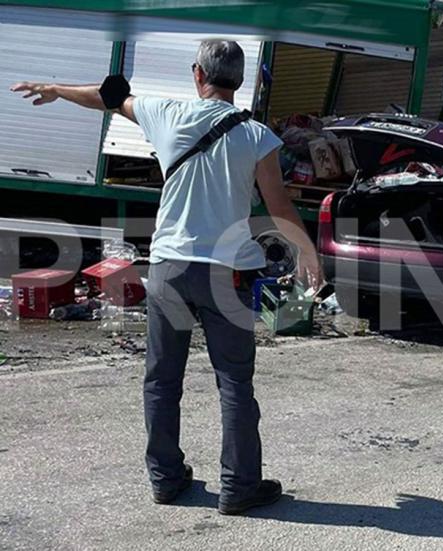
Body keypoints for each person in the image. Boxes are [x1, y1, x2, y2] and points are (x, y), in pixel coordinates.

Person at [11, 40, 323, 515]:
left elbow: (109, 96)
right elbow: (278, 207)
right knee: (235, 383)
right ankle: (239, 486)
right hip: (227, 274)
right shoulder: (257, 136)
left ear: (198, 74)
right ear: (241, 80)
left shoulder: (166, 113)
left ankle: (166, 479)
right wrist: (308, 253)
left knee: (162, 379)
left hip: (171, 268)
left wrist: (55, 88)